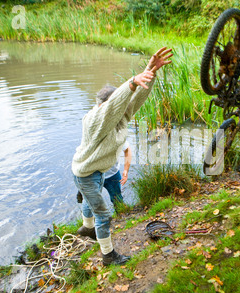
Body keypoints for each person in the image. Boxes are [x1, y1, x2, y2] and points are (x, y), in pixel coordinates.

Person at [72, 47, 173, 266]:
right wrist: (131, 82)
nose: (121, 107)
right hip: (86, 174)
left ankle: (87, 229)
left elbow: (134, 101)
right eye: (115, 105)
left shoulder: (120, 118)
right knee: (104, 214)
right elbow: (112, 106)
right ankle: (108, 255)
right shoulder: (93, 121)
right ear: (104, 106)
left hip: (99, 171)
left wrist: (150, 72)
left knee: (91, 204)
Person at [76, 140, 131, 212]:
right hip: (93, 176)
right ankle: (90, 221)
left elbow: (127, 150)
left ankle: (121, 218)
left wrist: (126, 170)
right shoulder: (92, 134)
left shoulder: (118, 135)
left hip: (112, 175)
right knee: (90, 204)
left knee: (117, 200)